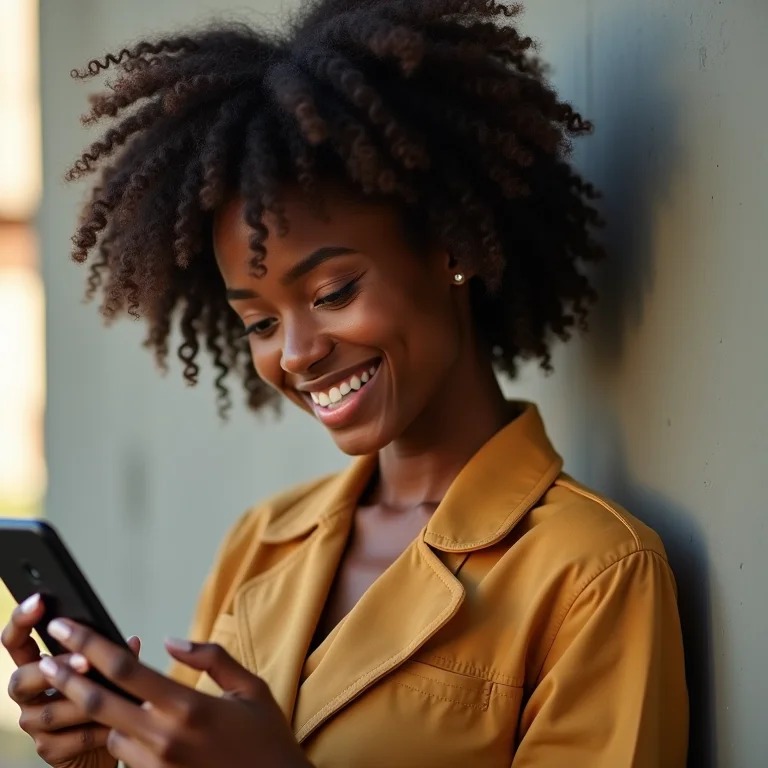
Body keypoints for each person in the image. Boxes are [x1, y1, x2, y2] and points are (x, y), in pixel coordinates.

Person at [2, 1, 689, 766]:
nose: (294, 353)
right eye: (259, 322)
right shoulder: (264, 542)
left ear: (451, 248)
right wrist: (106, 751)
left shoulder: (592, 572)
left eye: (332, 293)